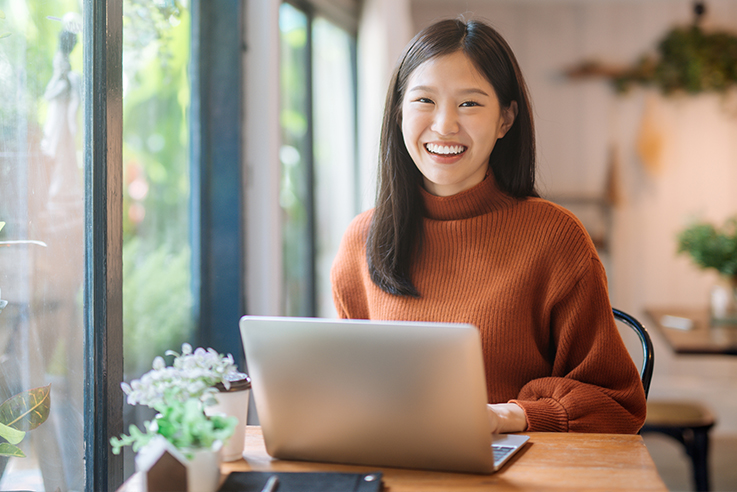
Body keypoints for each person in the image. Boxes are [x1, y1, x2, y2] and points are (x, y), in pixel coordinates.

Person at [330, 18, 646, 434]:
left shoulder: (555, 237)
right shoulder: (362, 239)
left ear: (505, 120)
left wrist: (510, 416)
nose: (444, 125)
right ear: (398, 113)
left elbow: (617, 401)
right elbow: (347, 384)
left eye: (469, 104)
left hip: (516, 469)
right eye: (424, 100)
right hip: (393, 462)